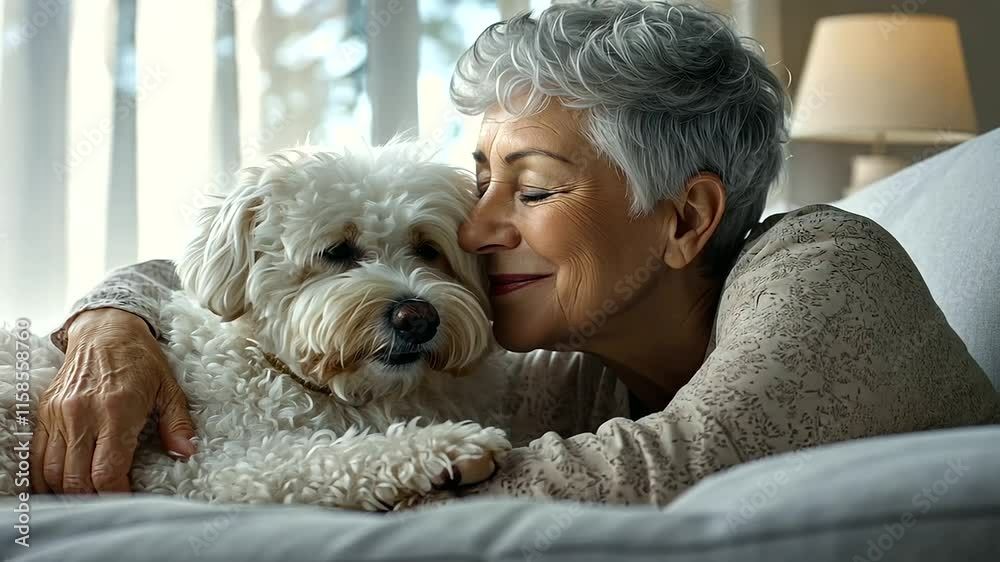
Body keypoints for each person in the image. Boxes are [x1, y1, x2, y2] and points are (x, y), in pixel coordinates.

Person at [33, 1, 1000, 503]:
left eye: (531, 189)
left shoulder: (824, 265)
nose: (476, 228)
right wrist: (113, 319)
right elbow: (234, 272)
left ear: (686, 221)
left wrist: (304, 480)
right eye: (479, 180)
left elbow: (657, 480)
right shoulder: (570, 363)